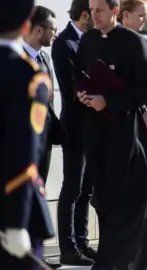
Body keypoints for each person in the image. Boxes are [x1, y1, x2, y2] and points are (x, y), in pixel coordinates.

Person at [74, 0, 147, 268]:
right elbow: (78, 74)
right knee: (103, 198)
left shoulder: (134, 42)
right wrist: (81, 92)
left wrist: (109, 101)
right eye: (91, 10)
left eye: (100, 10)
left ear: (115, 11)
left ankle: (120, 261)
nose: (94, 15)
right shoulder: (88, 40)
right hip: (96, 132)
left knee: (127, 202)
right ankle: (109, 257)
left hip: (127, 133)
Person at [0, 1, 55, 269]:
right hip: (11, 205)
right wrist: (16, 222)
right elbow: (25, 154)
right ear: (25, 27)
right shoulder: (29, 78)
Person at [51, 0, 97, 266]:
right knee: (73, 188)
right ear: (84, 15)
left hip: (94, 126)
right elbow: (73, 88)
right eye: (96, 13)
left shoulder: (92, 40)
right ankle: (68, 247)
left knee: (87, 189)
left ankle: (82, 242)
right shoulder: (64, 43)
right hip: (76, 127)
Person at [22, 5, 66, 185]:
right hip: (23, 142)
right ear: (39, 30)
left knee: (40, 190)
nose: (56, 34)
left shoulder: (46, 59)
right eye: (53, 30)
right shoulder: (15, 58)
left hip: (45, 140)